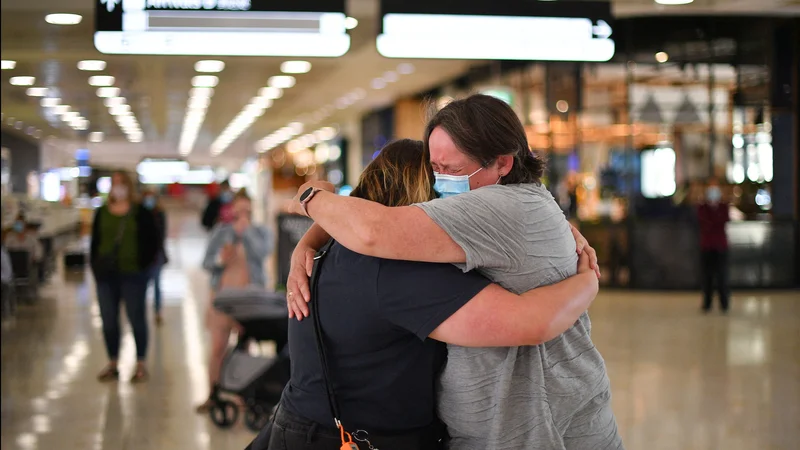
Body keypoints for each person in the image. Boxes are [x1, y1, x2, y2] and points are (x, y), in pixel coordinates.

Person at [285, 94, 622, 449]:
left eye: (454, 170)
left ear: (503, 163)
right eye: (435, 169)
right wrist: (309, 239)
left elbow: (374, 229)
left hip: (536, 430)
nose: (441, 183)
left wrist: (310, 196)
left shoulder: (495, 207)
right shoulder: (523, 200)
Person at [197, 189, 273, 411]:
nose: (242, 214)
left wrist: (246, 231)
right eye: (238, 210)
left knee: (244, 348)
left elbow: (262, 254)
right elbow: (206, 262)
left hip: (250, 302)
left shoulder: (261, 232)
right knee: (217, 348)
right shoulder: (221, 232)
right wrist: (220, 260)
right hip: (222, 300)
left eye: (246, 211)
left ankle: (243, 395)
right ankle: (213, 394)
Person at [90, 171, 160, 383]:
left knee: (136, 317)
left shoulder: (141, 212)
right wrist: (95, 267)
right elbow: (95, 242)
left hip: (134, 275)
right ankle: (113, 362)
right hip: (106, 276)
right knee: (109, 320)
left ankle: (140, 363)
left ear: (129, 186)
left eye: (122, 183)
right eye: (114, 183)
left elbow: (153, 242)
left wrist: (144, 266)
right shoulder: (102, 212)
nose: (118, 187)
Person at [697, 178, 730, 313]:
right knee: (707, 276)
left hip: (721, 246)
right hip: (707, 246)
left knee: (722, 275)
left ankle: (724, 303)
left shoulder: (723, 207)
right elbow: (705, 223)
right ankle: (707, 303)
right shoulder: (702, 207)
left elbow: (722, 221)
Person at [142, 189, 168, 324]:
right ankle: (142, 311)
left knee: (157, 284)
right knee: (143, 285)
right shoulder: (139, 214)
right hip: (143, 256)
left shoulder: (159, 214)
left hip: (156, 254)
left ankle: (157, 311)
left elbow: (162, 235)